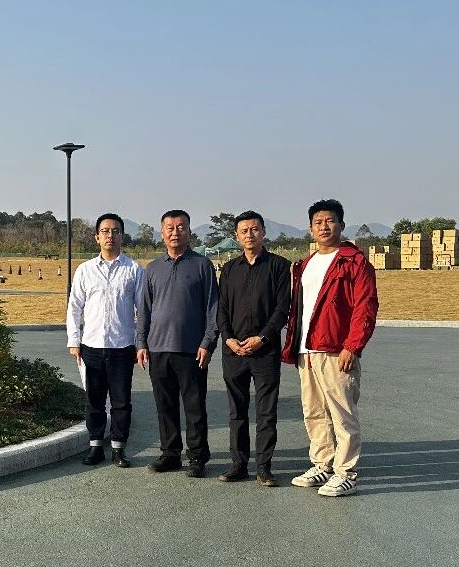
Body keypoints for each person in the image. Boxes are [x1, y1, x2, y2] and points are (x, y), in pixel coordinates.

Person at [282, 199, 378, 497]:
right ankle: (322, 463)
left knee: (342, 413)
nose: (324, 227)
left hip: (336, 349)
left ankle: (346, 472)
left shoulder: (354, 261)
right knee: (314, 411)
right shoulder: (305, 264)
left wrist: (352, 346)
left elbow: (365, 307)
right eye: (318, 222)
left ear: (341, 225)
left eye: (330, 221)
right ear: (310, 229)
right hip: (306, 349)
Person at [136, 209, 219, 478]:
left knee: (194, 406)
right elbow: (144, 309)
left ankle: (197, 456)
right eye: (170, 228)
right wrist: (141, 343)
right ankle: (170, 453)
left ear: (189, 231)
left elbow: (213, 308)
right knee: (165, 405)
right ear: (162, 233)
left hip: (192, 349)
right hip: (158, 349)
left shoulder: (202, 265)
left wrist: (207, 342)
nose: (175, 232)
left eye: (181, 227)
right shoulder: (153, 268)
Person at [216, 211, 291, 487]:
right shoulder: (229, 269)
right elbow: (222, 308)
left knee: (266, 412)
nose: (250, 234)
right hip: (234, 351)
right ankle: (238, 464)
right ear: (237, 236)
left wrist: (263, 338)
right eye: (244, 230)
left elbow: (282, 309)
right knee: (236, 411)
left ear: (263, 232)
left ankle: (264, 467)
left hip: (265, 351)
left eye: (255, 229)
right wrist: (228, 338)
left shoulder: (279, 266)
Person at [67, 214, 145, 468]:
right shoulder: (85, 270)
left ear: (122, 236)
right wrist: (74, 341)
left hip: (122, 347)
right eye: (105, 231)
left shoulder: (133, 269)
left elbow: (142, 310)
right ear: (97, 237)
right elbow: (74, 307)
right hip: (91, 346)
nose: (110, 235)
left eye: (115, 231)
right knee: (95, 401)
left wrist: (140, 343)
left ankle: (119, 449)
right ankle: (95, 446)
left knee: (121, 402)